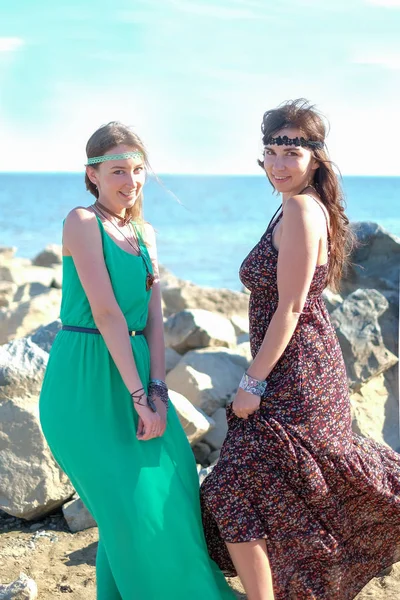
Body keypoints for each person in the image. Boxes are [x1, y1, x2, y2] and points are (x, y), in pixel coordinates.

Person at [200, 99, 400, 600]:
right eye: (272, 151)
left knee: (236, 486)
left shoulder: (300, 207)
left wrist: (251, 382)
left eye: (293, 151)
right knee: (280, 485)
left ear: (316, 157)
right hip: (301, 361)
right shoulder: (299, 205)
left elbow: (290, 307)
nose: (281, 163)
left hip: (297, 370)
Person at [39, 122, 235, 600]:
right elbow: (106, 314)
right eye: (117, 170)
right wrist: (138, 396)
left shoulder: (145, 232)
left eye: (138, 169)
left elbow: (153, 320)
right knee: (128, 509)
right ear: (93, 175)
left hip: (138, 372)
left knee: (171, 496)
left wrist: (159, 389)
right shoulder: (81, 223)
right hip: (84, 379)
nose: (130, 180)